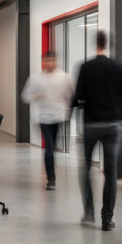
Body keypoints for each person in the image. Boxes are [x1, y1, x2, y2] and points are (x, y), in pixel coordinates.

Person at [71, 30, 122, 230]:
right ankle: (107, 218)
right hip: (113, 125)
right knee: (111, 172)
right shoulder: (119, 67)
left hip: (91, 124)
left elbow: (78, 96)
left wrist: (72, 109)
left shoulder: (86, 67)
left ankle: (88, 212)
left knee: (86, 167)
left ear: (95, 44)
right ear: (108, 44)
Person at [21, 51, 74, 191]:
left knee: (53, 147)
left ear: (56, 61)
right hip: (44, 117)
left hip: (59, 116)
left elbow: (71, 95)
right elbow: (25, 96)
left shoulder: (64, 77)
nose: (50, 63)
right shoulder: (35, 78)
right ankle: (51, 179)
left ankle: (51, 176)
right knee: (49, 147)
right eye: (48, 61)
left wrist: (66, 103)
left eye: (53, 61)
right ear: (44, 62)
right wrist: (36, 96)